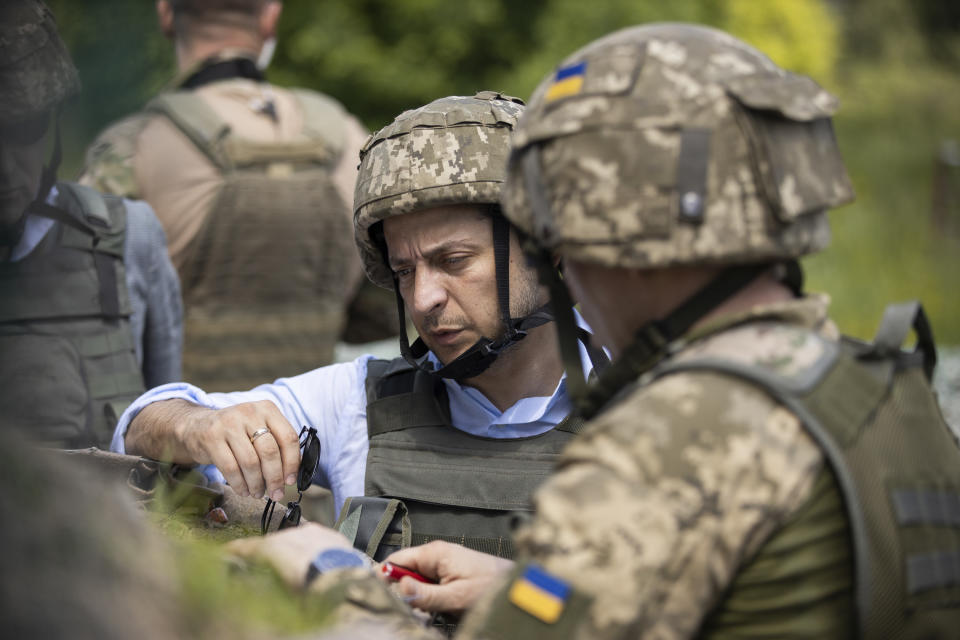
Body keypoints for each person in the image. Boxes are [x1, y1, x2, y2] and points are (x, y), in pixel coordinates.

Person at [230, 24, 960, 639]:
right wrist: (533, 587)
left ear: (621, 236)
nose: (565, 266)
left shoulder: (672, 440)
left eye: (563, 232)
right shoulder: (889, 385)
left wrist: (333, 578)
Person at [113, 92, 607, 559]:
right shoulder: (356, 402)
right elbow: (138, 427)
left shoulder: (651, 403)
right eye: (404, 271)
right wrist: (197, 425)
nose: (423, 298)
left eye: (453, 260)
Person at [80, 0, 396, 392]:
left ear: (165, 14)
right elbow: (383, 306)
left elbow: (79, 312)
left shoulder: (135, 146)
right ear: (270, 17)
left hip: (171, 441)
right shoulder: (350, 138)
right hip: (310, 439)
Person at [0, 0, 182, 448]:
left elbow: (167, 424)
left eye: (25, 130)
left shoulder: (126, 237)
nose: (5, 167)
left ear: (54, 123)